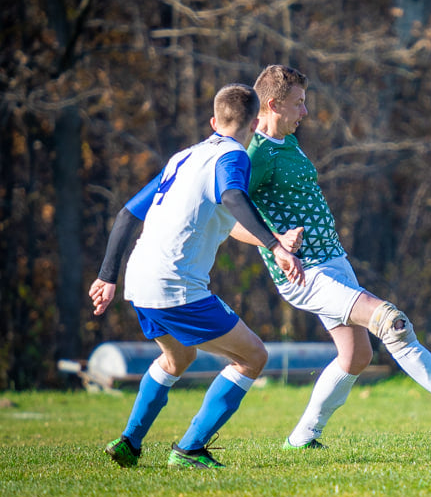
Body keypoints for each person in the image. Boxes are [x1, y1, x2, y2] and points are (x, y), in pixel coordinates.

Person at [230, 64, 431, 449]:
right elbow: (228, 219)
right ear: (272, 105)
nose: (304, 113)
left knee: (356, 356)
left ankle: (302, 438)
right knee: (392, 322)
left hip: (333, 263)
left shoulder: (288, 143)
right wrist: (276, 242)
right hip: (306, 274)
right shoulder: (257, 154)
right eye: (298, 104)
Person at [89, 84, 305, 469]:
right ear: (255, 123)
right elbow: (233, 197)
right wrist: (275, 245)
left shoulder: (183, 157)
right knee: (253, 356)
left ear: (213, 121)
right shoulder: (234, 155)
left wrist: (108, 276)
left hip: (139, 280)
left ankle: (129, 443)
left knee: (177, 358)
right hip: (175, 285)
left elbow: (126, 214)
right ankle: (189, 449)